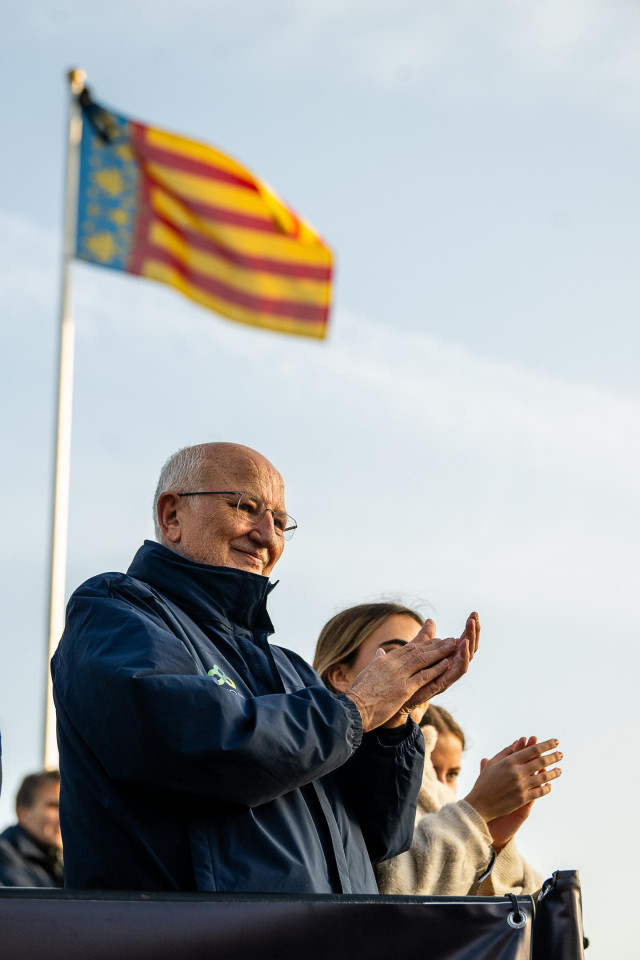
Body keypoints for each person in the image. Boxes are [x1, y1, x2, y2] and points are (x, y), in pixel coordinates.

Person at [52, 442, 478, 893]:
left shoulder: (290, 669)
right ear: (172, 515)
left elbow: (379, 837)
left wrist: (392, 726)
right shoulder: (115, 610)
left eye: (279, 521)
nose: (267, 536)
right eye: (246, 507)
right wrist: (355, 710)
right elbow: (189, 742)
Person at [313, 602, 561, 897]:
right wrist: (477, 812)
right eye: (398, 654)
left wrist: (494, 839)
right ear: (340, 675)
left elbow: (505, 915)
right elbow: (389, 898)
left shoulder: (434, 784)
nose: (418, 668)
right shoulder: (323, 768)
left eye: (427, 656)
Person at [0, 771, 64, 887]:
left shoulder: (58, 861)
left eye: (66, 806)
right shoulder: (4, 855)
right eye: (54, 806)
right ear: (23, 813)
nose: (64, 815)